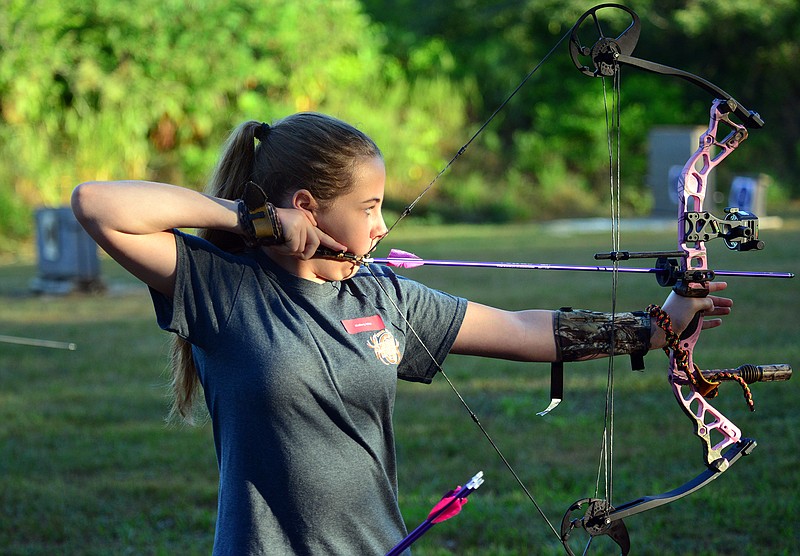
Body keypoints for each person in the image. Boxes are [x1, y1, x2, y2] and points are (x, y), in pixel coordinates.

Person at [71, 112, 731, 555]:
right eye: (369, 207)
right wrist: (247, 221)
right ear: (306, 208)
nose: (382, 225)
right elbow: (97, 205)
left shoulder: (382, 294)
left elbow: (526, 330)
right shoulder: (222, 287)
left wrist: (659, 325)